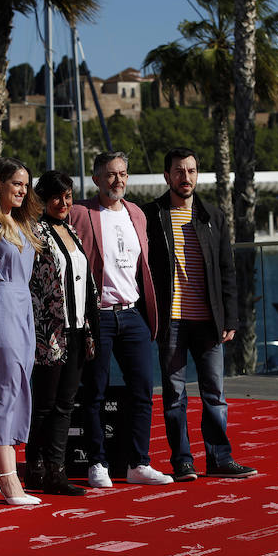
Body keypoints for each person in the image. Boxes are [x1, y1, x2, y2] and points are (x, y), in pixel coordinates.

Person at [142, 147, 258, 481]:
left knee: (215, 396)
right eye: (179, 171)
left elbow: (227, 270)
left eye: (191, 171)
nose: (186, 177)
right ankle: (182, 463)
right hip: (171, 320)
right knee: (175, 396)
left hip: (209, 321)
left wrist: (230, 319)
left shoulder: (212, 216)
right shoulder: (152, 215)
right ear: (167, 176)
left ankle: (220, 459)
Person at [68, 151, 174, 487]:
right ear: (97, 178)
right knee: (94, 392)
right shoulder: (80, 213)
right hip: (98, 317)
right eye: (111, 175)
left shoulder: (137, 214)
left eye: (123, 174)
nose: (119, 181)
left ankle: (138, 463)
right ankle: (97, 462)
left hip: (133, 315)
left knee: (143, 390)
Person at [27, 170, 99, 496]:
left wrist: (89, 329)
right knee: (44, 404)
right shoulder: (35, 232)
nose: (63, 203)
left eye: (68, 196)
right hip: (48, 331)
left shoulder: (72, 230)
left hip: (76, 327)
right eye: (56, 197)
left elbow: (87, 283)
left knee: (65, 404)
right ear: (42, 199)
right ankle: (35, 467)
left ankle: (56, 469)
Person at [0, 157, 42, 505]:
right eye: (16, 183)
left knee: (18, 384)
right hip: (0, 302)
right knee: (2, 385)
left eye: (25, 185)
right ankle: (5, 476)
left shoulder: (24, 224)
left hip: (23, 308)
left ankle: (2, 475)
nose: (21, 190)